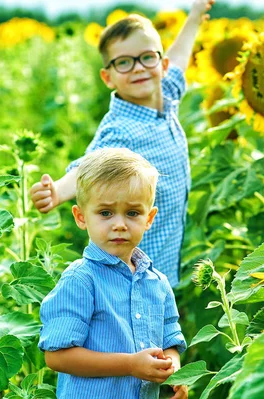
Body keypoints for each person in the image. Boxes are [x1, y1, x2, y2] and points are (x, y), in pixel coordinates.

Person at [30, 0, 215, 287]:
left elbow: (179, 58)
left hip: (163, 256)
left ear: (161, 64)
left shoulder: (167, 94)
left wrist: (193, 18)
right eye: (124, 62)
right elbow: (88, 166)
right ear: (108, 77)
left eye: (147, 58)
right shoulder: (122, 129)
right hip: (131, 270)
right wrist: (57, 191)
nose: (139, 68)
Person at [39, 148, 188, 399]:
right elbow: (57, 357)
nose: (119, 223)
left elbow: (169, 340)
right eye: (106, 213)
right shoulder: (81, 280)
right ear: (81, 217)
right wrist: (130, 364)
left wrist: (175, 371)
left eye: (132, 213)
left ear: (149, 218)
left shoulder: (157, 283)